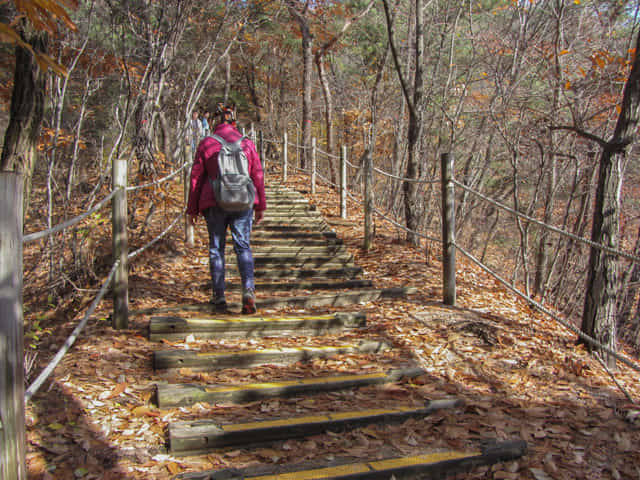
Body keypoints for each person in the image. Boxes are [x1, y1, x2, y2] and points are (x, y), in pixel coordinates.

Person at [186, 102, 266, 314]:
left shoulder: (207, 143)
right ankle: (248, 290)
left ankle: (219, 296)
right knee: (243, 246)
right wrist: (260, 205)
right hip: (242, 201)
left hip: (214, 202)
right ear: (233, 119)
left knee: (216, 248)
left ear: (215, 120)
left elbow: (195, 177)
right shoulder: (246, 143)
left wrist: (192, 209)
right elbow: (257, 174)